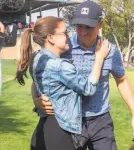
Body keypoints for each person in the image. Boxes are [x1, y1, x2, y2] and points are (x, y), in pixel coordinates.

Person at [32, 0, 134, 150]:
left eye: (88, 26)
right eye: (79, 26)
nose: (83, 31)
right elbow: (41, 78)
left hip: (101, 120)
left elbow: (122, 80)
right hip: (70, 124)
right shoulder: (63, 48)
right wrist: (36, 99)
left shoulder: (110, 51)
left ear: (100, 24)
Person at [16, 16, 110, 150]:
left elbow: (37, 82)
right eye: (64, 33)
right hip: (61, 131)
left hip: (43, 128)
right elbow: (88, 89)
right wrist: (99, 58)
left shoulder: (37, 57)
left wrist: (35, 99)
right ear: (51, 38)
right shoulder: (60, 66)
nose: (68, 36)